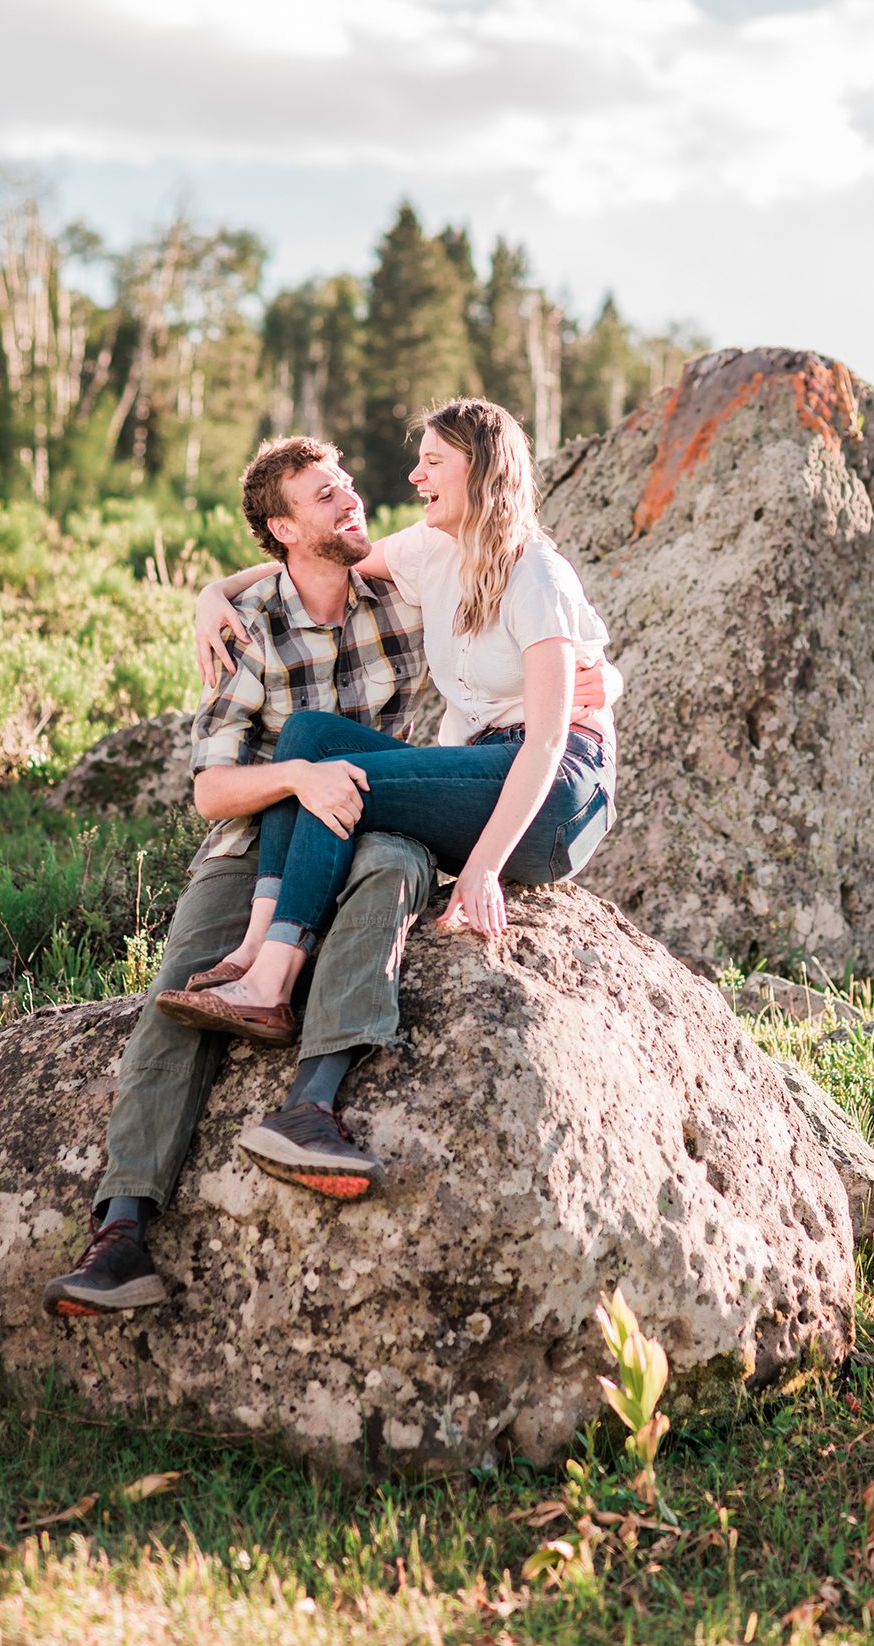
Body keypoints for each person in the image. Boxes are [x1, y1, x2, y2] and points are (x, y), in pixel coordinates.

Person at [42, 428, 612, 1316]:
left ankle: (313, 1103)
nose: (354, 500)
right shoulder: (252, 627)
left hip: (372, 811)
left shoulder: (401, 592)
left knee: (389, 865)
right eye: (325, 496)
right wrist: (212, 605)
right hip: (255, 836)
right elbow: (213, 791)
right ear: (280, 529)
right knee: (180, 1001)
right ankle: (121, 1235)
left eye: (348, 484)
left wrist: (595, 679)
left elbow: (522, 624)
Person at [156, 399, 617, 1204]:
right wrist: (209, 594)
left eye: (433, 462)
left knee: (340, 783)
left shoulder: (537, 573)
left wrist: (481, 871)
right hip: (478, 770)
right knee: (308, 741)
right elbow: (309, 563)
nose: (412, 477)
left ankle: (272, 992)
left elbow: (547, 741)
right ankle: (267, 959)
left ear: (478, 468)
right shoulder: (434, 552)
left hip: (554, 792)